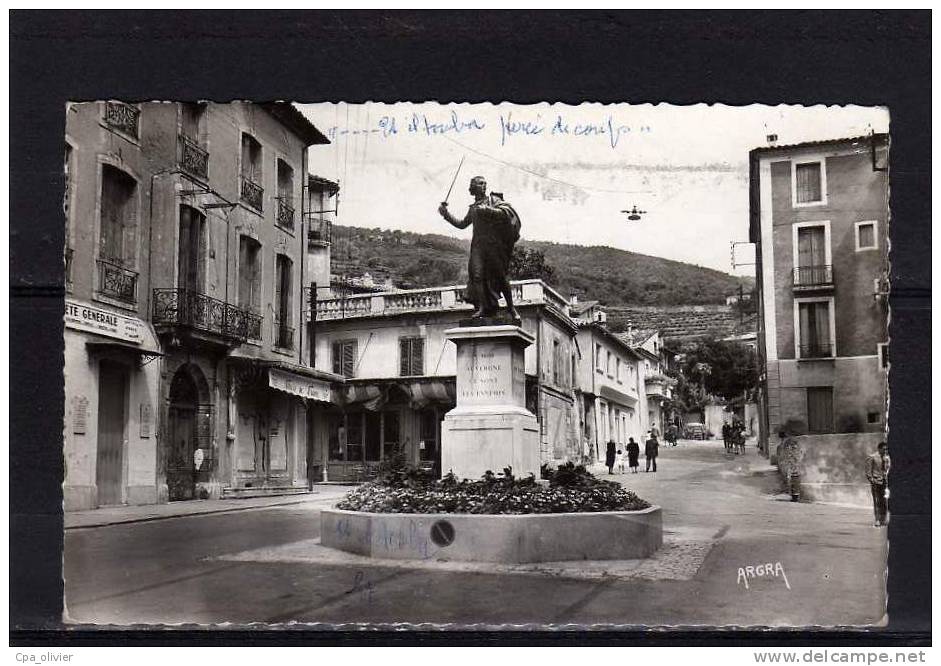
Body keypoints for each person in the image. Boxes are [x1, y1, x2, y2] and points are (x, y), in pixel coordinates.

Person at [438, 176, 522, 322]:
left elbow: (506, 213)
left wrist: (488, 210)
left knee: (501, 276)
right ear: (473, 187)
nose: (484, 186)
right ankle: (482, 307)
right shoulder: (473, 208)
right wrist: (446, 215)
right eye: (480, 183)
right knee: (477, 276)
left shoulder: (493, 200)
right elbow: (462, 224)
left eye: (485, 183)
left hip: (494, 246)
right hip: (478, 247)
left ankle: (511, 308)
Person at [865, 441, 891, 527]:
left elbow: (886, 469)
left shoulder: (886, 458)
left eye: (886, 449)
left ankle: (883, 520)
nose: (885, 451)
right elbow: (868, 471)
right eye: (883, 449)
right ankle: (877, 520)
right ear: (879, 449)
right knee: (876, 501)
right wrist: (872, 480)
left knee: (884, 501)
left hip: (884, 482)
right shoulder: (872, 457)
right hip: (876, 482)